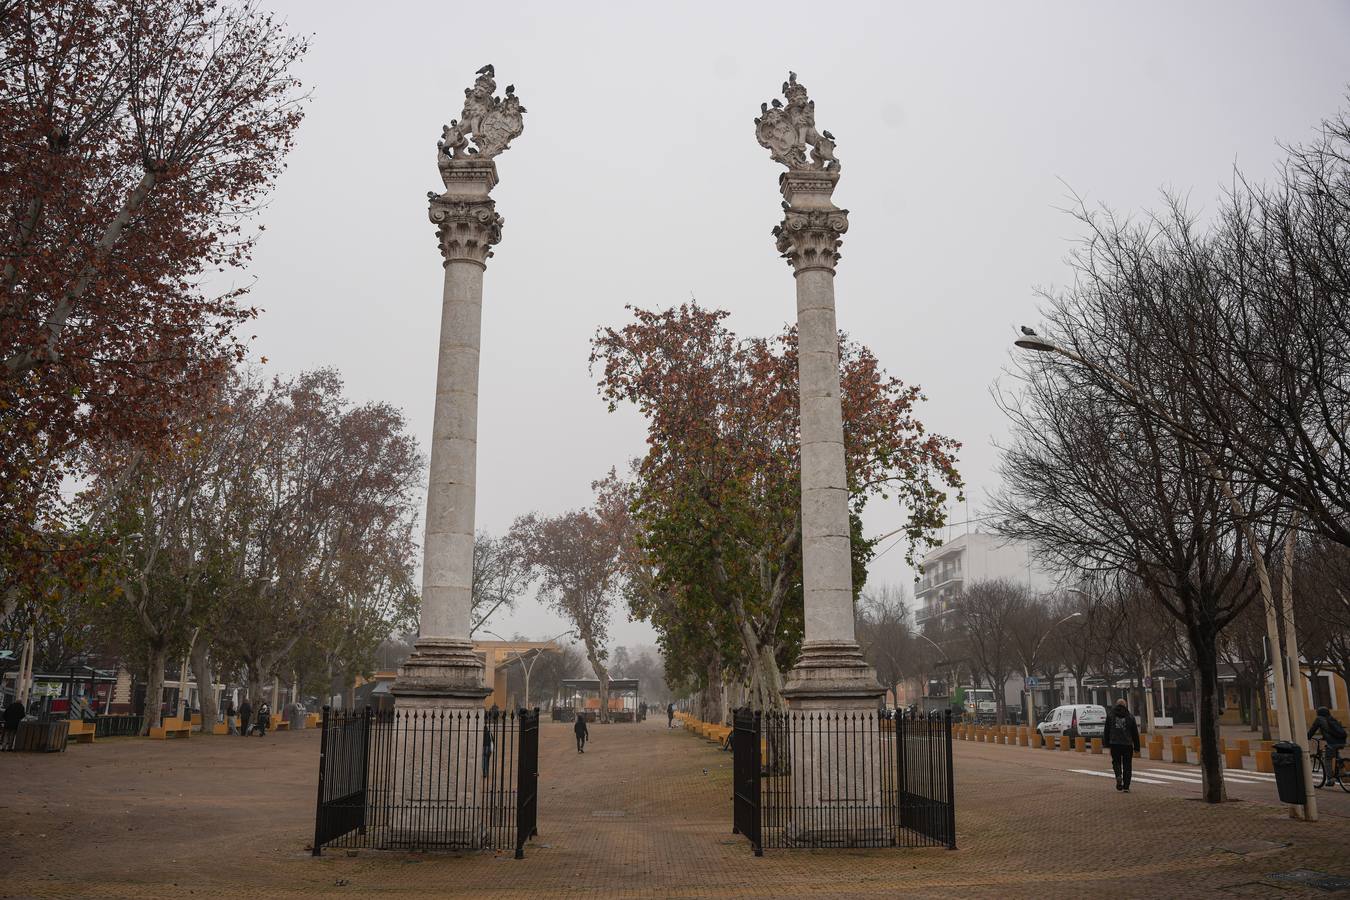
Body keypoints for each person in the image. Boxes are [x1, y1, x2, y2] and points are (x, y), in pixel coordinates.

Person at [1104, 699, 1141, 792]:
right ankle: (1126, 787)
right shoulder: (1130, 716)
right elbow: (1135, 733)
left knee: (1116, 762)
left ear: (1116, 705)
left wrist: (1106, 743)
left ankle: (1118, 775)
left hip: (1115, 744)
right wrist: (1137, 747)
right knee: (1127, 765)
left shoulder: (1110, 715)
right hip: (1127, 744)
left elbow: (1106, 730)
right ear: (1125, 705)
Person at [1308, 705, 1347, 787]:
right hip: (1342, 741)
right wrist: (1324, 737)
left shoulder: (1319, 719)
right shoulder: (1331, 718)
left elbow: (1313, 729)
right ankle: (1342, 770)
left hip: (1332, 742)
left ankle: (1330, 779)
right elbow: (1330, 730)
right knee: (1335, 754)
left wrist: (1307, 737)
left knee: (1328, 759)